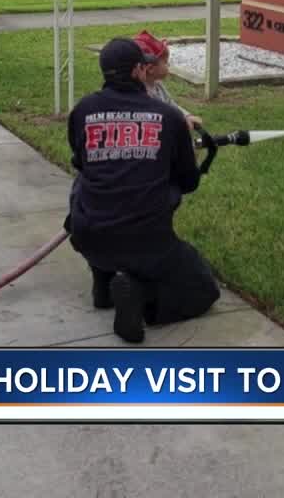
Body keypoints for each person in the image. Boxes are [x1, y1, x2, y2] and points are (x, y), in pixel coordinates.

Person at [64, 37, 221, 342]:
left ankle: (104, 276)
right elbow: (188, 182)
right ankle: (139, 294)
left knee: (83, 181)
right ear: (139, 70)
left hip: (89, 234)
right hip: (149, 241)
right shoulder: (169, 118)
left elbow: (80, 162)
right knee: (203, 290)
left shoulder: (83, 110)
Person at [130, 29, 203, 132]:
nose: (168, 65)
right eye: (165, 62)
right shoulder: (141, 93)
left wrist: (186, 116)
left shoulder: (157, 85)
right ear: (150, 69)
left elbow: (170, 104)